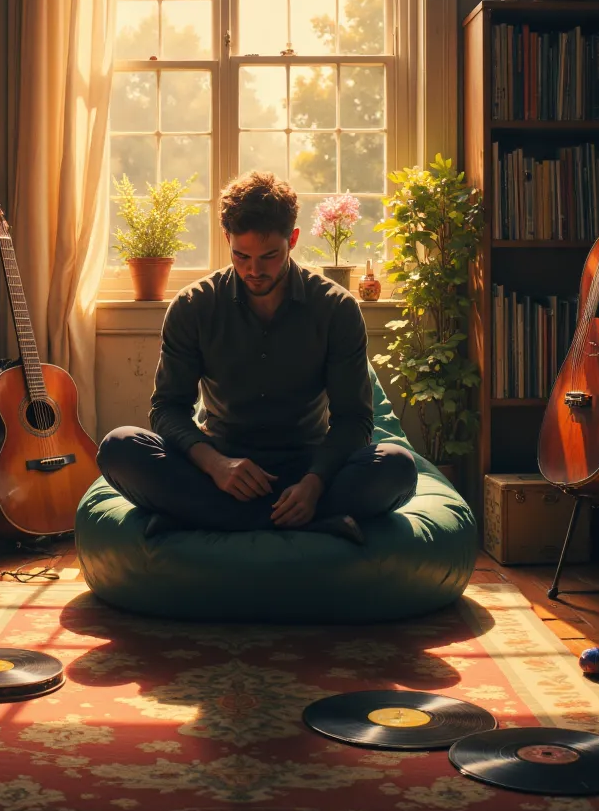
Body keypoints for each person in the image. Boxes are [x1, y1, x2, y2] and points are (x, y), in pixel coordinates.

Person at [96, 171, 417, 543]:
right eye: (240, 255)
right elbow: (167, 409)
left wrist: (314, 484)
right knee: (119, 448)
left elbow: (355, 419)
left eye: (269, 256)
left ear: (292, 240)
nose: (253, 270)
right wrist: (216, 465)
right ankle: (310, 520)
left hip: (307, 468)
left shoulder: (336, 308)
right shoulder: (192, 305)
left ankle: (204, 517)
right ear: (226, 239)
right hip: (219, 468)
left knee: (397, 467)